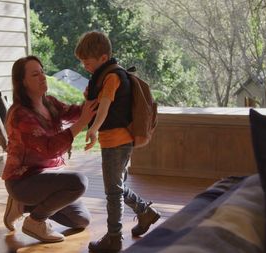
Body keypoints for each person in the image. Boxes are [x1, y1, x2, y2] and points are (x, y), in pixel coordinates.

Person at [75, 31, 161, 253]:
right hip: (114, 140)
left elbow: (104, 107)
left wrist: (93, 129)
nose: (85, 66)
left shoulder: (112, 77)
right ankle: (145, 212)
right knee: (117, 188)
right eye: (82, 62)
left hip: (116, 140)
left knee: (112, 192)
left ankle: (114, 238)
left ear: (103, 58)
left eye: (88, 62)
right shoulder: (102, 75)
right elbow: (96, 101)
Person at [2, 55, 98, 243]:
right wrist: (83, 123)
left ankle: (23, 206)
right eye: (35, 75)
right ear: (22, 82)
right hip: (23, 181)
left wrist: (90, 101)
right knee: (79, 182)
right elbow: (49, 148)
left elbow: (74, 112)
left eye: (43, 72)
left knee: (82, 220)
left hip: (48, 178)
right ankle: (35, 221)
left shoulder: (49, 102)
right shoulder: (20, 115)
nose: (43, 77)